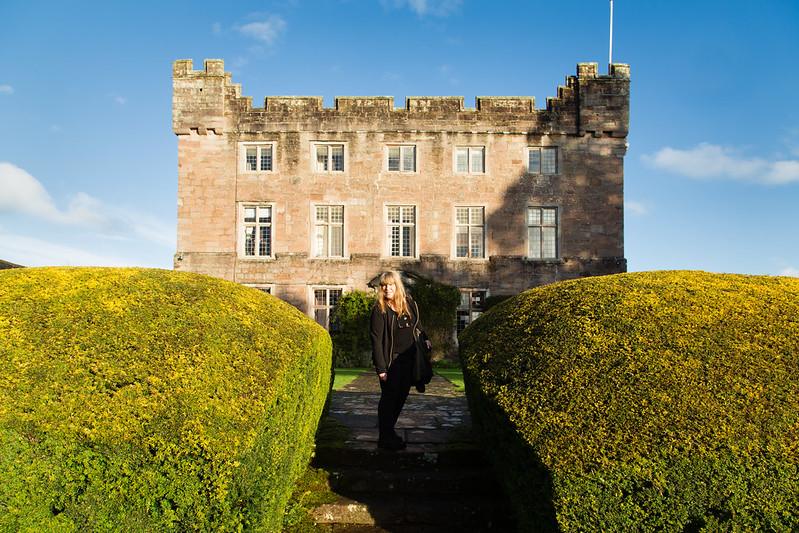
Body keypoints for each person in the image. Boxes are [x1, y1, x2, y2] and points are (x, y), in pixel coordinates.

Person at [370, 271, 432, 451]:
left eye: (391, 285)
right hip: (392, 362)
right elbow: (376, 341)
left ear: (397, 286)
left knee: (401, 398)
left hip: (410, 361)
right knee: (389, 400)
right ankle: (385, 437)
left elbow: (417, 325)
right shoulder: (379, 310)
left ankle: (389, 433)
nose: (387, 288)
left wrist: (425, 337)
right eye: (384, 285)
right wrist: (381, 369)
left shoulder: (409, 303)